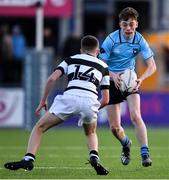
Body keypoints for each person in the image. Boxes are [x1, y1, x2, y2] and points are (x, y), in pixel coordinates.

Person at [4, 35, 110, 175]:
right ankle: (94, 157)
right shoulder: (104, 67)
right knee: (90, 132)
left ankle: (28, 159)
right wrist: (93, 109)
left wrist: (43, 100)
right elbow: (106, 99)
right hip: (90, 100)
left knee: (39, 127)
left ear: (81, 50)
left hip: (69, 98)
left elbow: (51, 79)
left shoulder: (71, 59)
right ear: (97, 51)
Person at [98, 7, 156, 167]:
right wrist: (112, 75)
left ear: (136, 24)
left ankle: (145, 154)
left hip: (130, 80)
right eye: (125, 25)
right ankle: (126, 144)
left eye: (131, 24)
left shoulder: (139, 39)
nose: (128, 28)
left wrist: (141, 78)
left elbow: (152, 66)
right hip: (110, 81)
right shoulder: (111, 39)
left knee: (135, 115)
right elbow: (100, 64)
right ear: (120, 25)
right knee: (115, 128)